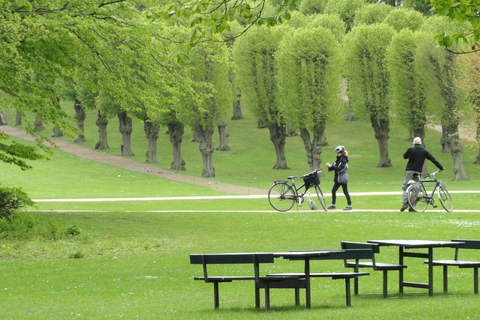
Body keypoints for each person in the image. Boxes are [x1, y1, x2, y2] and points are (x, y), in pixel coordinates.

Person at [400, 137, 444, 211]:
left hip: (409, 171)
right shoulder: (423, 151)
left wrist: (410, 150)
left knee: (406, 187)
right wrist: (440, 167)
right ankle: (412, 206)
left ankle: (405, 202)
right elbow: (432, 159)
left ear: (413, 143)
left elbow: (405, 156)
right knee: (416, 188)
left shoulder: (410, 149)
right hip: (418, 171)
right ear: (420, 143)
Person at [326, 146, 352, 210]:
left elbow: (339, 169)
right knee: (333, 190)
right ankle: (333, 205)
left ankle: (349, 205)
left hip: (342, 178)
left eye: (338, 153)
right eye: (336, 153)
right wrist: (330, 167)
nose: (337, 154)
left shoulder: (343, 160)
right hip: (338, 178)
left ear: (341, 153)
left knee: (345, 192)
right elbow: (334, 167)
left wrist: (332, 166)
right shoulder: (338, 160)